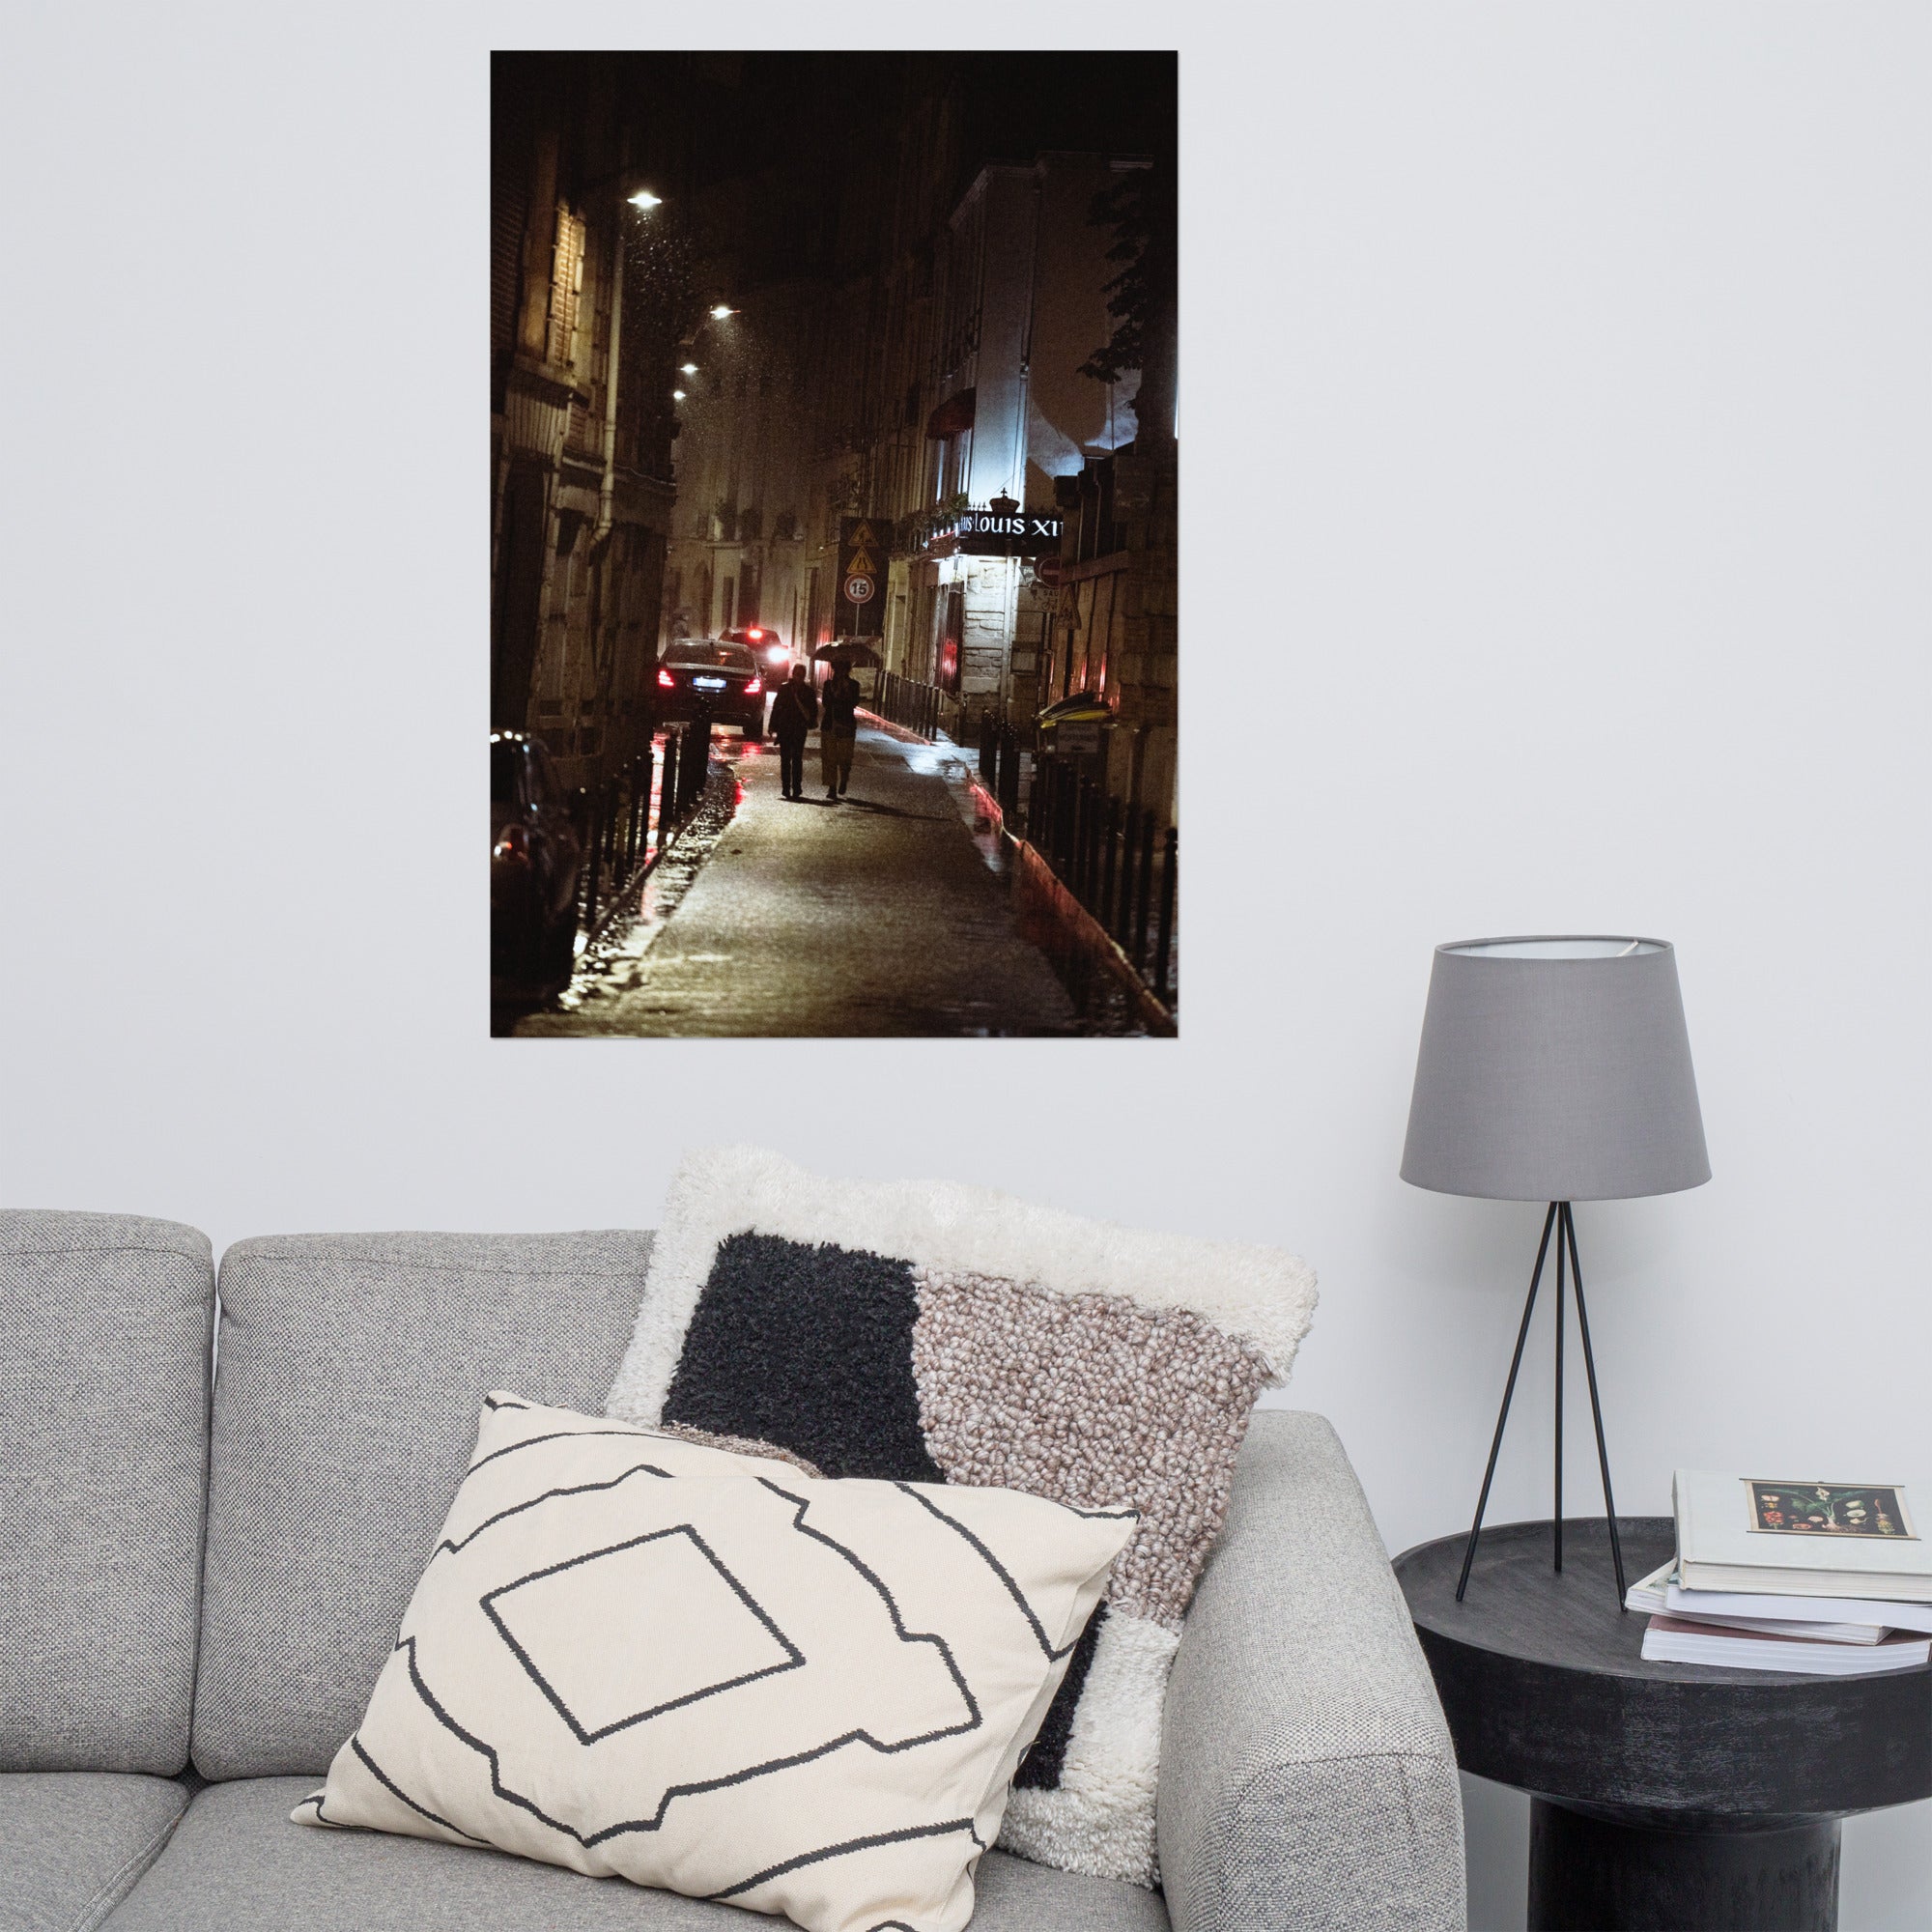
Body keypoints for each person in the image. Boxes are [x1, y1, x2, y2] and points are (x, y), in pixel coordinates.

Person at [768, 663, 816, 800]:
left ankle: (796, 787)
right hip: (785, 728)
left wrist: (798, 700)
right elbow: (776, 707)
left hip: (799, 728)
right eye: (797, 675)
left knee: (796, 759)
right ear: (793, 674)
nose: (799, 678)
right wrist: (772, 725)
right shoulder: (784, 689)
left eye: (801, 676)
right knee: (785, 759)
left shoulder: (808, 692)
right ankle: (785, 787)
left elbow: (812, 713)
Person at [819, 662, 861, 800]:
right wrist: (835, 693)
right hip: (830, 724)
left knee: (845, 757)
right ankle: (832, 788)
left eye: (843, 670)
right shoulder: (828, 685)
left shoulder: (854, 685)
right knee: (830, 758)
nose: (839, 673)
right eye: (837, 669)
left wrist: (846, 691)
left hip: (847, 724)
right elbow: (825, 703)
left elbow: (854, 702)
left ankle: (844, 779)